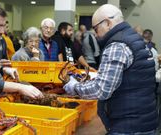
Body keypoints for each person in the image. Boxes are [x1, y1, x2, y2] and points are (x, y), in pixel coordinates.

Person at [63, 4, 158, 134]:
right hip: (144, 120)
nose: (95, 35)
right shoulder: (135, 39)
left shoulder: (117, 45)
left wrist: (74, 87)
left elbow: (102, 89)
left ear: (107, 23)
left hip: (127, 126)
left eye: (96, 29)